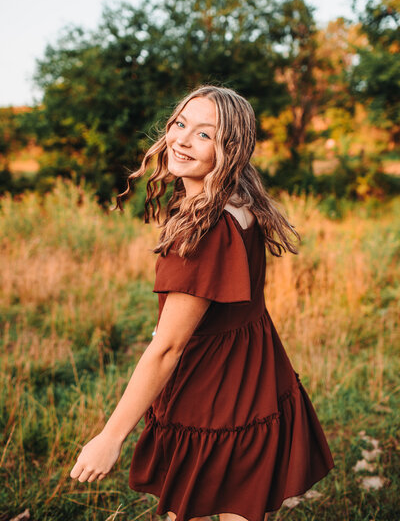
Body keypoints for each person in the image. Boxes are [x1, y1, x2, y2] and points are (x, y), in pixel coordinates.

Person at [70, 85, 335, 521]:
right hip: (254, 376)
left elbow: (168, 348)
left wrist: (110, 436)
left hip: (212, 393)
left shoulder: (207, 229)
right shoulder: (238, 203)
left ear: (231, 149)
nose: (181, 139)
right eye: (180, 124)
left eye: (204, 135)